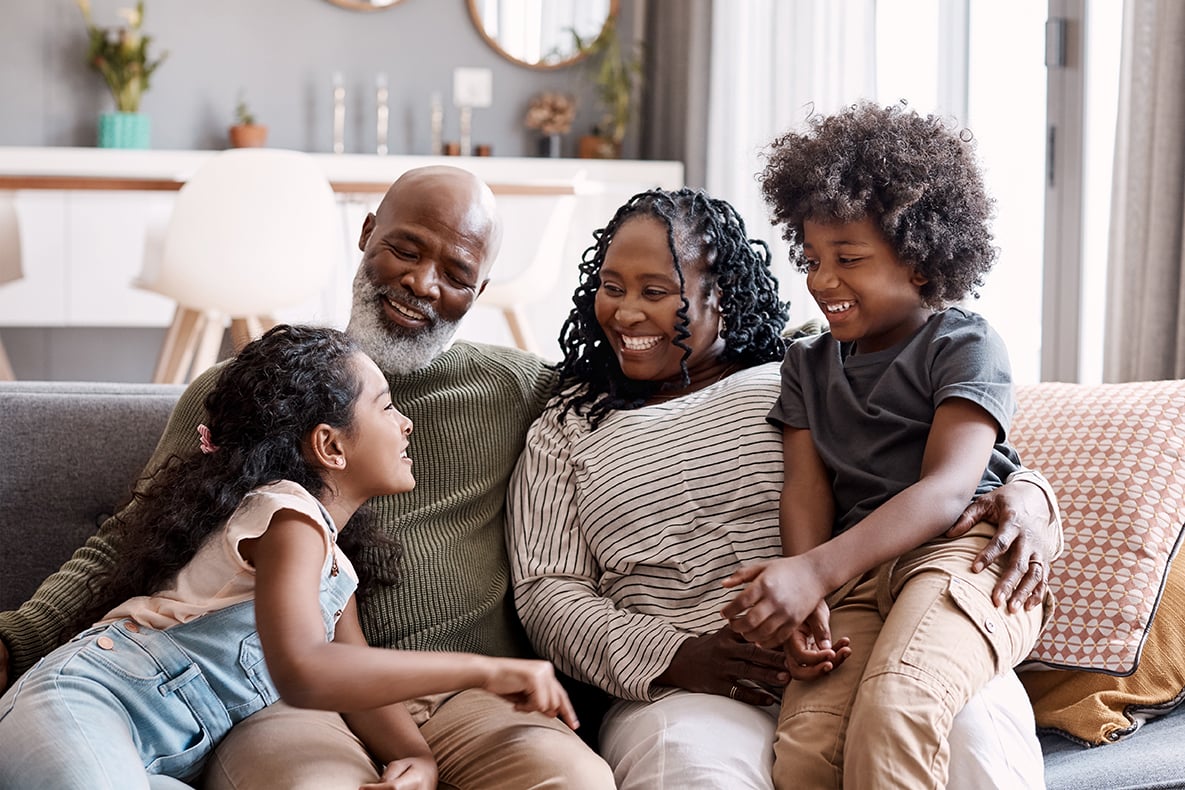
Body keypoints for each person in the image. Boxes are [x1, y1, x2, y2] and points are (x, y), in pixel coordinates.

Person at [0, 166, 615, 789]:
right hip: (283, 703)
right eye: (405, 249)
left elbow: (635, 409)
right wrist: (15, 639)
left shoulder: (516, 390)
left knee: (573, 781)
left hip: (461, 703)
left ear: (478, 292)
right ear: (367, 233)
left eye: (456, 275)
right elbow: (133, 537)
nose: (421, 283)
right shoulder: (247, 397)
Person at [507, 187, 1061, 789]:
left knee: (968, 730)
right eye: (611, 288)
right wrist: (675, 656)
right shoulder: (565, 428)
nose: (626, 313)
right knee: (696, 770)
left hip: (868, 626)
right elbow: (547, 592)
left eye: (657, 292)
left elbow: (957, 462)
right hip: (691, 688)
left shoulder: (800, 361)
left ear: (721, 293)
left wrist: (1032, 494)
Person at [0, 324, 577, 788]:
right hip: (87, 704)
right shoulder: (285, 517)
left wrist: (417, 757)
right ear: (330, 445)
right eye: (385, 408)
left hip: (157, 758)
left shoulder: (332, 565)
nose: (406, 425)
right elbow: (305, 671)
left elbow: (352, 680)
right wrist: (487, 668)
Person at [720, 101, 1054, 789]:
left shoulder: (962, 343)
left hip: (964, 556)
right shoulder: (806, 364)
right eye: (811, 258)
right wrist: (808, 581)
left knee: (897, 707)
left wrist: (814, 573)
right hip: (859, 575)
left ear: (923, 263)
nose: (821, 280)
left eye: (849, 259)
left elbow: (946, 490)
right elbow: (806, 487)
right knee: (808, 749)